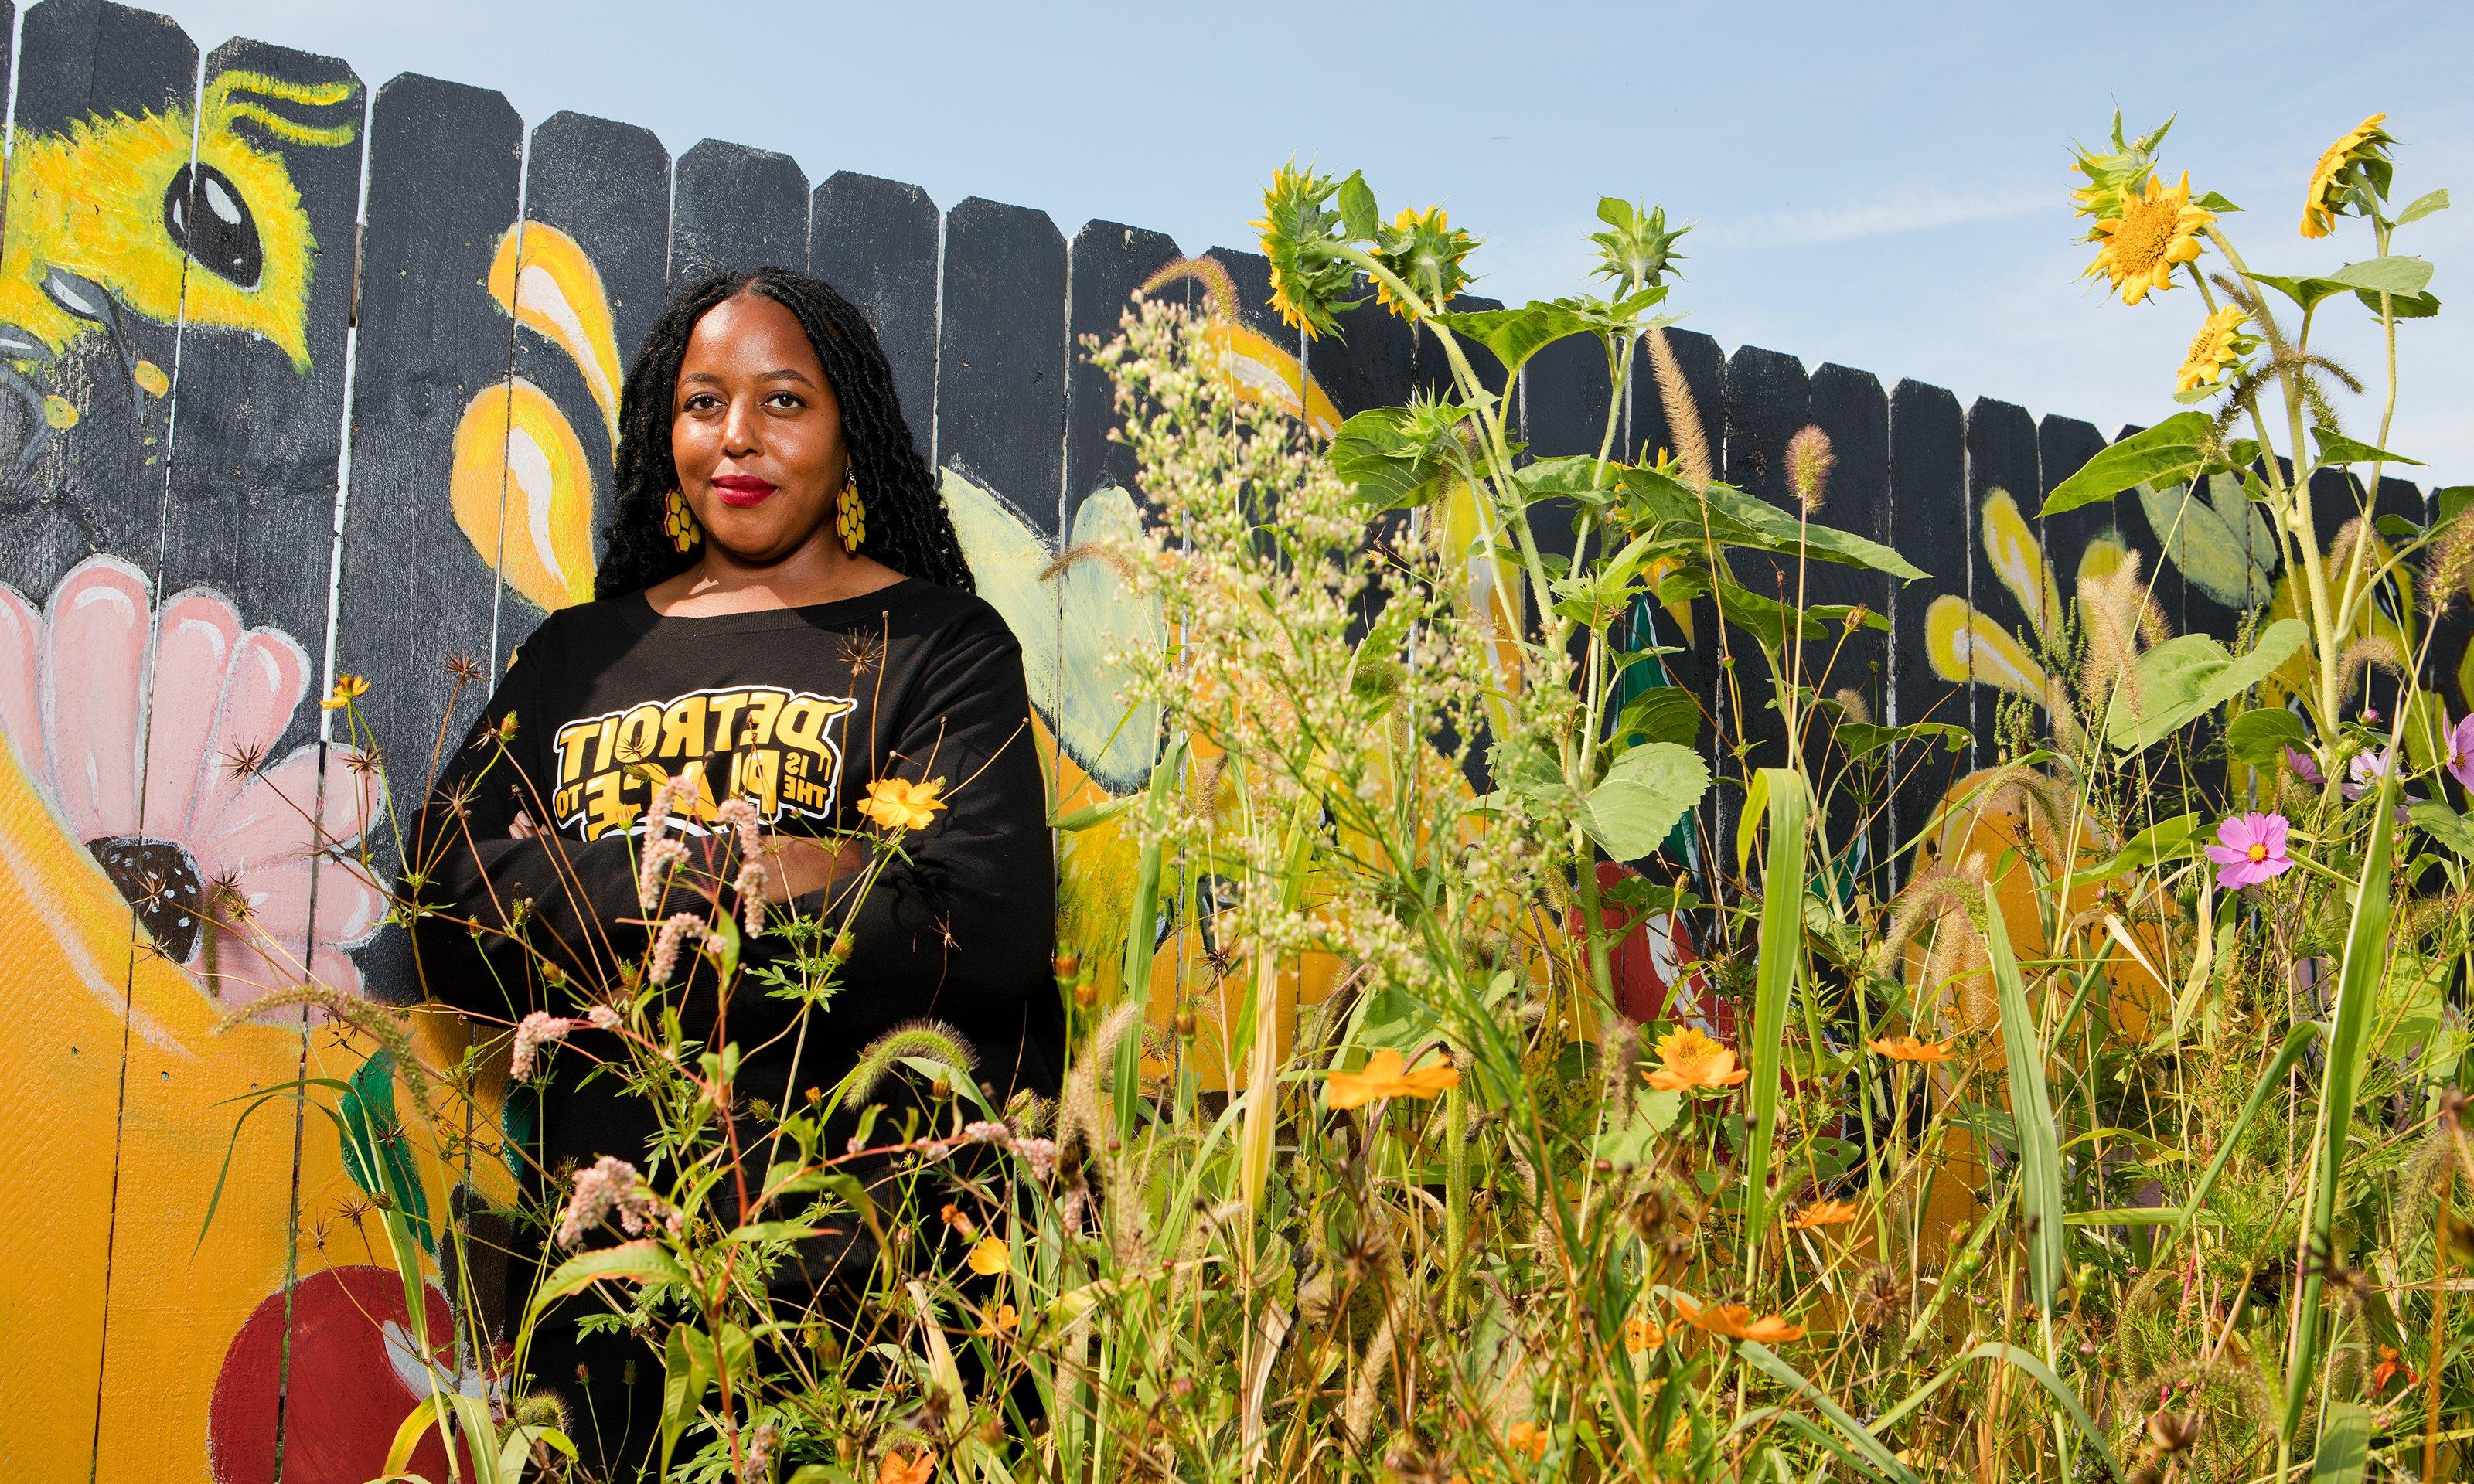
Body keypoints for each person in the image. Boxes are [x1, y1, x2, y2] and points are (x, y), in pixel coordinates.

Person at [407, 267, 1062, 1473]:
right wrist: (759, 872)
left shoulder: (938, 647)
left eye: (784, 402)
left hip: (862, 1318)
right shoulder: (579, 657)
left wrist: (588, 891)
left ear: (848, 431)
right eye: (705, 402)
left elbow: (981, 920)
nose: (739, 438)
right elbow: (447, 902)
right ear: (667, 430)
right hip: (607, 1313)